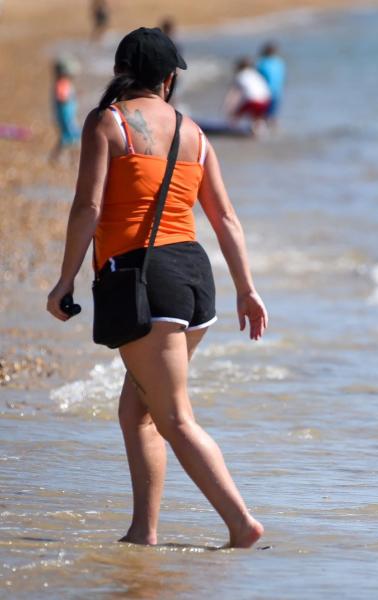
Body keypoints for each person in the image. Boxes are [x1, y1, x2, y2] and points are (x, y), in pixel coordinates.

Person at [46, 27, 267, 548]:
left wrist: (64, 280)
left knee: (173, 417)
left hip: (146, 280)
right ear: (167, 81)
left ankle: (241, 522)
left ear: (122, 72)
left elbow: (89, 209)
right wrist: (246, 288)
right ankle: (143, 532)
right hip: (195, 281)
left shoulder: (110, 123)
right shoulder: (195, 133)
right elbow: (226, 217)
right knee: (136, 410)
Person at [226, 57, 272, 132]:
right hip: (266, 100)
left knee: (236, 114)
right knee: (257, 117)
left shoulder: (240, 76)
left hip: (253, 100)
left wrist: (228, 107)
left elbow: (233, 94)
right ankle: (258, 130)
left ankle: (231, 128)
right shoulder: (255, 73)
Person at [50, 58, 80, 164]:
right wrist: (67, 98)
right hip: (65, 115)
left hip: (67, 114)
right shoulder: (62, 83)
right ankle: (72, 159)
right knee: (71, 137)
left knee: (68, 137)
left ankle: (57, 157)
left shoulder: (63, 82)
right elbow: (61, 96)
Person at [256, 42, 286, 126]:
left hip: (266, 93)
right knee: (273, 115)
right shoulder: (279, 63)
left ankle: (262, 133)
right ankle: (274, 133)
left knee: (264, 116)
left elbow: (257, 79)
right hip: (278, 92)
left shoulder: (262, 63)